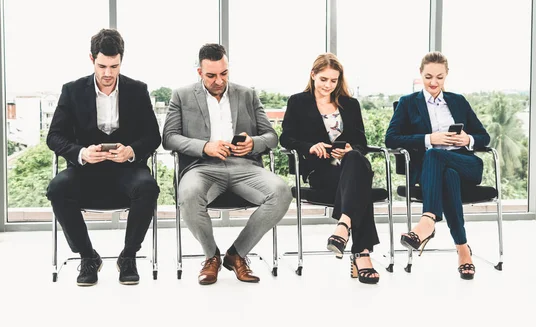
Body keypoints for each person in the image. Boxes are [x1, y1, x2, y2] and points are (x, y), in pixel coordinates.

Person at [162, 43, 291, 285]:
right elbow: (169, 138)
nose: (219, 80)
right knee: (189, 194)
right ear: (200, 72)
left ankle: (236, 254)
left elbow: (271, 136)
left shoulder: (247, 94)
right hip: (202, 168)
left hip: (245, 168)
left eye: (224, 73)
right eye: (211, 75)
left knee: (281, 192)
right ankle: (211, 256)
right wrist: (204, 146)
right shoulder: (181, 95)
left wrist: (252, 143)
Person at [46, 29, 161, 286]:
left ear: (122, 60)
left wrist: (131, 151)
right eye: (102, 66)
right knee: (57, 188)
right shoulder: (72, 91)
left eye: (114, 66)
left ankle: (128, 256)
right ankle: (88, 257)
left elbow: (153, 136)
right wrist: (81, 153)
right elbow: (54, 137)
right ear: (91, 59)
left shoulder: (137, 90)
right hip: (86, 170)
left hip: (127, 171)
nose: (108, 73)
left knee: (148, 187)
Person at [385, 51, 490, 280]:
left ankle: (427, 222)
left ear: (447, 75)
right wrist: (429, 138)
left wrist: (468, 139)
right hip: (435, 172)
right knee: (445, 172)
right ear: (420, 73)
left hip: (467, 165)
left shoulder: (458, 101)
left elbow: (484, 137)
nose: (434, 83)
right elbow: (390, 139)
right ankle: (463, 250)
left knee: (437, 158)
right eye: (429, 76)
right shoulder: (407, 103)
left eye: (440, 77)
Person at [280, 53, 380, 284]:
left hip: (349, 165)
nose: (328, 85)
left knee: (355, 158)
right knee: (360, 185)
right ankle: (361, 254)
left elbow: (361, 144)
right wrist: (310, 147)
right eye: (324, 79)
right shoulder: (298, 101)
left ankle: (343, 226)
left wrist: (348, 150)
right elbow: (286, 138)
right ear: (313, 75)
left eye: (333, 81)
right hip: (320, 170)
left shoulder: (350, 104)